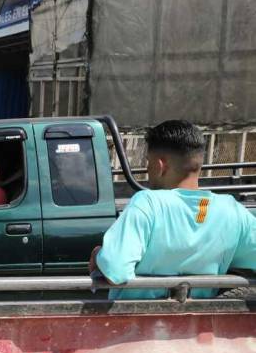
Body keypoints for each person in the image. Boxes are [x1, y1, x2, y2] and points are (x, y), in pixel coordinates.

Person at [90, 119, 256, 299]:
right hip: (199, 323)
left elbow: (116, 270)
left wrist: (99, 257)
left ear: (161, 166)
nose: (147, 168)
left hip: (137, 322)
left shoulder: (148, 203)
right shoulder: (232, 210)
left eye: (148, 162)